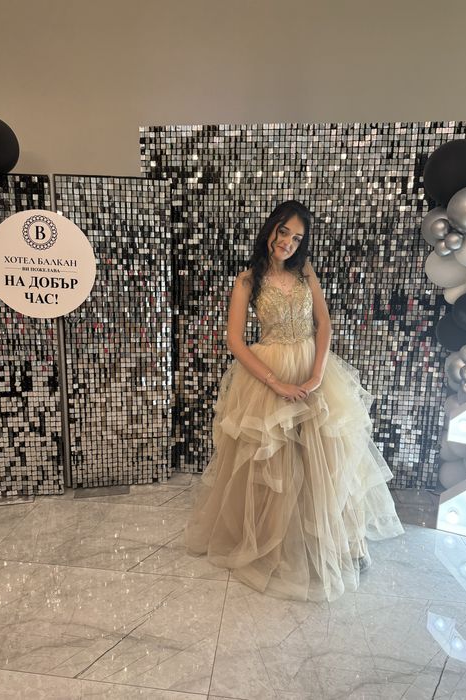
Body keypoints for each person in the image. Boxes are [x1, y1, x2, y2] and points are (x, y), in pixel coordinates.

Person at [183, 200, 404, 602]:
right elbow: (235, 340)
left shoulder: (305, 272)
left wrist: (317, 373)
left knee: (324, 458)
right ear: (271, 229)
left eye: (297, 238)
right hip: (270, 373)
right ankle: (277, 546)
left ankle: (329, 544)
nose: (288, 242)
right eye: (283, 232)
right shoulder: (247, 280)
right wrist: (276, 383)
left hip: (313, 369)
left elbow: (324, 322)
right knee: (275, 461)